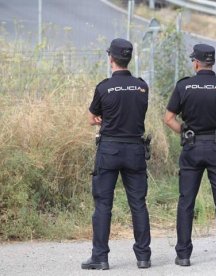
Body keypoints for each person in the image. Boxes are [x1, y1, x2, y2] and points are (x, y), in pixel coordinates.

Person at [164, 43, 216, 267]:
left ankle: (183, 255)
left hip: (191, 149)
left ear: (196, 63)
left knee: (186, 201)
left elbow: (168, 118)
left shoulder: (184, 86)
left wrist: (186, 133)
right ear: (212, 62)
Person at [81, 38, 151, 270]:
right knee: (138, 204)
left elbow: (92, 118)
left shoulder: (103, 87)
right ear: (128, 58)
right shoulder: (142, 87)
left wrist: (102, 118)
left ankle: (100, 257)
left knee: (103, 205)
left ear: (111, 58)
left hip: (109, 150)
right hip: (134, 150)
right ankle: (143, 257)